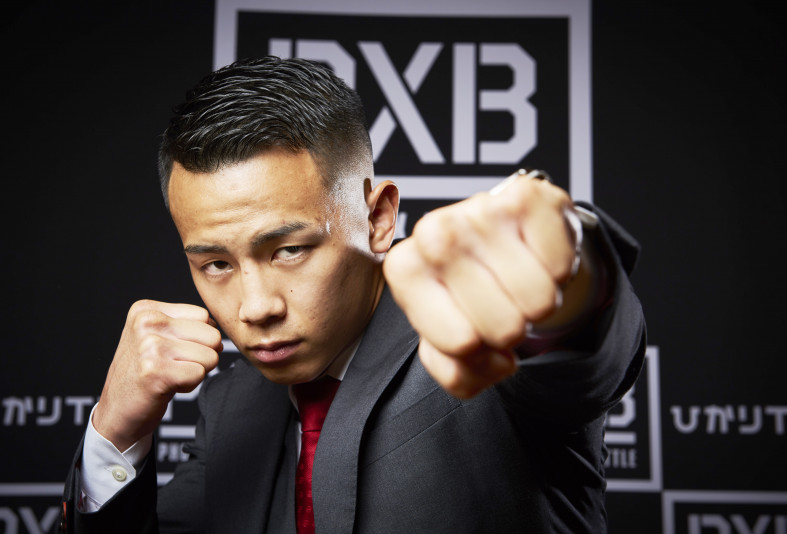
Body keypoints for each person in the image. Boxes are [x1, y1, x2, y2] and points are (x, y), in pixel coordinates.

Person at [58, 56, 646, 533]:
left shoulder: (472, 342)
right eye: (215, 264)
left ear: (379, 218)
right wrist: (114, 434)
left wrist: (559, 259)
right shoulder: (230, 406)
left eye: (289, 250)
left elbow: (581, 355)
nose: (255, 307)